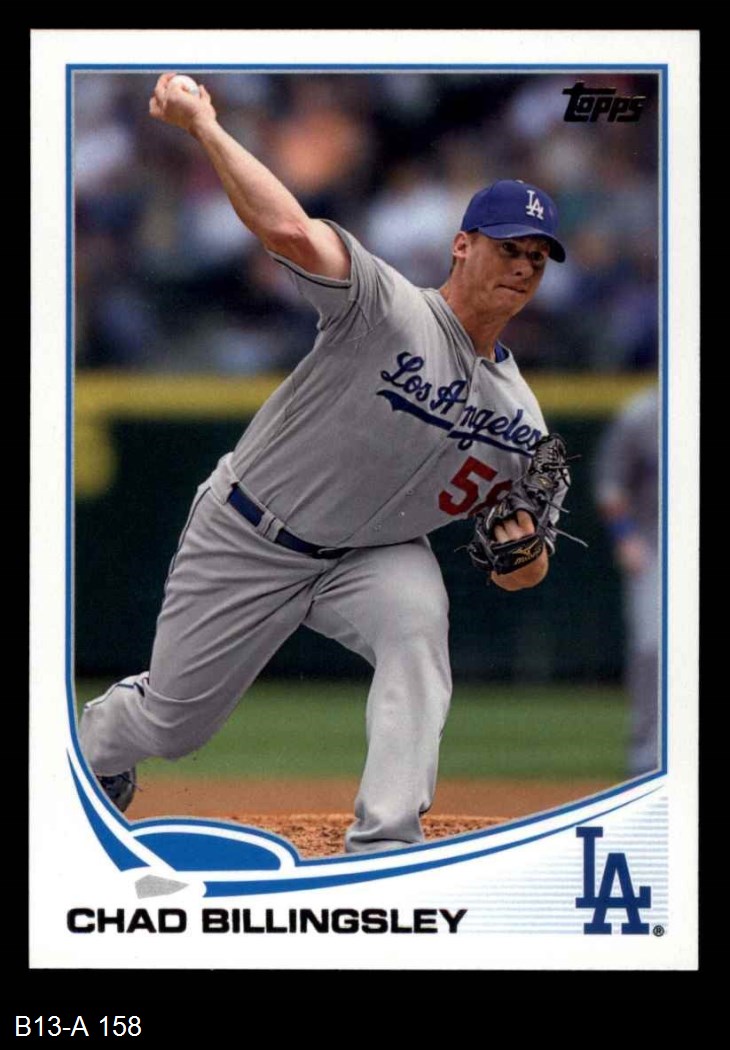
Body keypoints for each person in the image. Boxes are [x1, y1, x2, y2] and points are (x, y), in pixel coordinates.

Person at [79, 73, 569, 854]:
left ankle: (386, 843)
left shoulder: (520, 421)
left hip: (369, 556)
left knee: (417, 624)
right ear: (463, 244)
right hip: (249, 532)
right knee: (171, 724)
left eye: (538, 258)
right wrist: (204, 125)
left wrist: (525, 553)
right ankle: (90, 747)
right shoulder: (390, 308)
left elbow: (525, 573)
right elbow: (290, 231)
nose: (524, 266)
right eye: (509, 248)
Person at [594, 386, 660, 776]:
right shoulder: (643, 414)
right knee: (653, 648)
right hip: (656, 546)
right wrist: (625, 537)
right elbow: (610, 485)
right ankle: (647, 757)